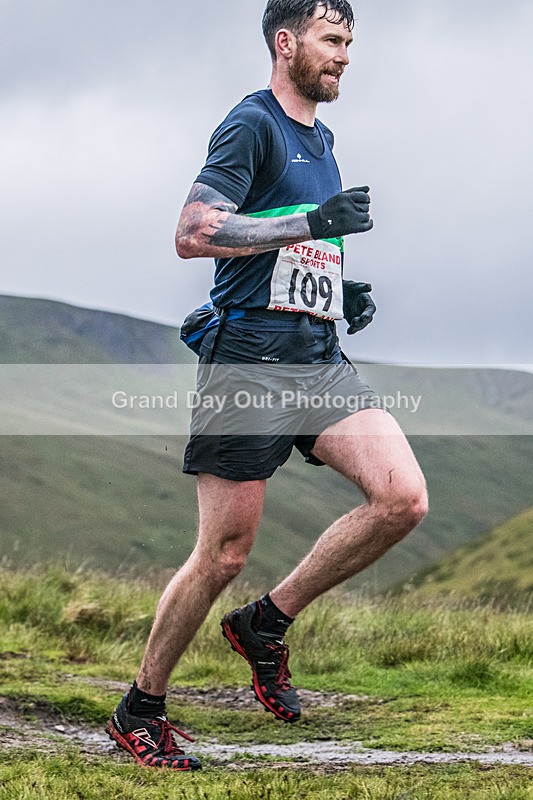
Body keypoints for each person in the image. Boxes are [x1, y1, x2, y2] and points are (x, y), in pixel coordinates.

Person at [106, 0, 428, 771]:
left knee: (402, 498)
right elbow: (196, 232)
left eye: (349, 41)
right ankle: (140, 707)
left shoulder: (322, 138)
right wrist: (313, 227)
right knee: (221, 553)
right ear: (285, 44)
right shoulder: (250, 124)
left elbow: (284, 237)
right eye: (330, 39)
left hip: (316, 355)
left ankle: (265, 624)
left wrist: (331, 281)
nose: (344, 55)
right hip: (248, 360)